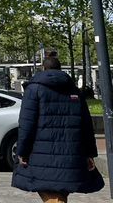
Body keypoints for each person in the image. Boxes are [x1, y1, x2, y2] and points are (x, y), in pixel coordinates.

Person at [12, 56, 104, 201]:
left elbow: (26, 123)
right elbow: (86, 125)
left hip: (41, 152)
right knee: (60, 192)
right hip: (71, 151)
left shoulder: (34, 89)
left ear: (43, 68)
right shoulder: (74, 90)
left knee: (50, 193)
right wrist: (89, 153)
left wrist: (22, 151)